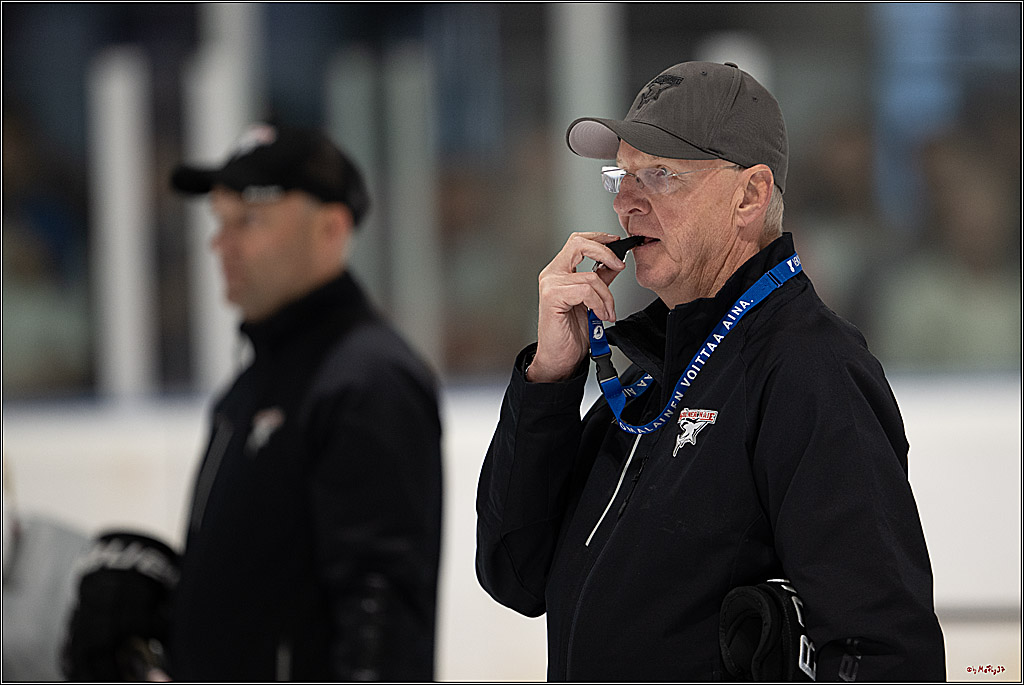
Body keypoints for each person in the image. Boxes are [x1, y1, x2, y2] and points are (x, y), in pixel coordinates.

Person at [475, 61, 946, 681]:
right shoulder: (652, 376)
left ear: (749, 196)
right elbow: (515, 574)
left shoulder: (811, 370)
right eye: (621, 175)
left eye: (659, 175)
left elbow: (883, 648)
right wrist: (550, 378)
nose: (624, 202)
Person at [167, 122, 444, 681]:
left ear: (330, 227)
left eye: (249, 220)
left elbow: (381, 619)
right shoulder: (252, 385)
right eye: (220, 222)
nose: (221, 244)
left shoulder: (368, 382)